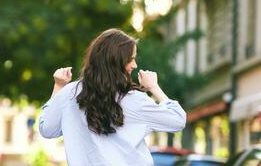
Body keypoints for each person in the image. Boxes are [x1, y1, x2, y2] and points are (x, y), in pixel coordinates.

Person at [39, 28, 186, 166]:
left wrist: (58, 87)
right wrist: (154, 87)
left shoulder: (69, 93)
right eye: (131, 59)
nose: (134, 65)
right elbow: (178, 120)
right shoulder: (134, 100)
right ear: (116, 61)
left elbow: (47, 129)